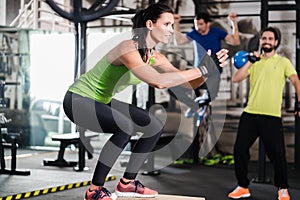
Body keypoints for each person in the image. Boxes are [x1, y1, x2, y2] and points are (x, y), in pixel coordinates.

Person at [62, 3, 229, 200]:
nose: (171, 29)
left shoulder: (154, 56)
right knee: (124, 127)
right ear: (150, 24)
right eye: (166, 24)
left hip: (101, 101)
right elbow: (158, 82)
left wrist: (209, 70)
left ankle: (127, 183)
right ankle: (94, 190)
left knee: (153, 125)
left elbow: (187, 83)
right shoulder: (128, 48)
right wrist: (201, 70)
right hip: (78, 100)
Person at [228, 26, 300, 200]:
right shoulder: (254, 61)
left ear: (276, 42)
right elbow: (236, 78)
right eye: (264, 38)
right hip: (250, 114)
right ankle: (243, 186)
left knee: (278, 155)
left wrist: (299, 102)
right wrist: (251, 61)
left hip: (271, 117)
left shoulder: (283, 62)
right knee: (239, 150)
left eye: (270, 39)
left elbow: (296, 80)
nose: (266, 41)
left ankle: (282, 188)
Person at [170, 12, 240, 122]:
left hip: (213, 71)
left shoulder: (216, 32)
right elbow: (179, 42)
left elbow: (235, 41)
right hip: (198, 72)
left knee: (209, 96)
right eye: (196, 24)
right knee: (174, 89)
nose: (198, 27)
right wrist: (176, 23)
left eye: (201, 24)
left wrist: (234, 22)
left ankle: (202, 105)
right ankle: (196, 107)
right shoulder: (195, 33)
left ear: (208, 24)